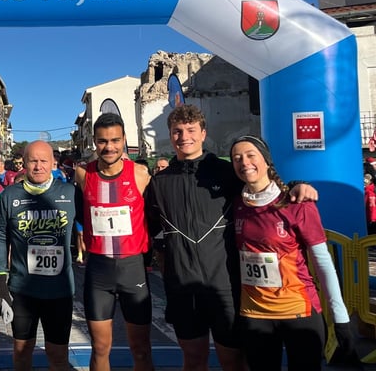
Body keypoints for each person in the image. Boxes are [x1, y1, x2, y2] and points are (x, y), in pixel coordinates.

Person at [146, 104, 318, 371]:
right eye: (177, 131)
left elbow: (263, 185)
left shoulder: (226, 172)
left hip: (225, 287)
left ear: (203, 133)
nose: (184, 137)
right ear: (170, 135)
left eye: (191, 130)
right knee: (192, 359)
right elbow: (154, 227)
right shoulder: (160, 182)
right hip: (183, 288)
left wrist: (297, 183)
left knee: (234, 360)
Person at [230, 135, 356, 370]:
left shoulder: (296, 203)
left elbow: (322, 261)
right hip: (255, 314)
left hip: (299, 311)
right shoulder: (235, 204)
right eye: (237, 158)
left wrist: (340, 317)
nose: (244, 162)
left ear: (267, 160)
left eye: (250, 155)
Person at [74, 113, 154, 371]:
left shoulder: (141, 174)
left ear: (124, 141)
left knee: (141, 349)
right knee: (99, 349)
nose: (109, 147)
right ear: (94, 143)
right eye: (102, 141)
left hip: (133, 269)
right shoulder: (83, 174)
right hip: (99, 272)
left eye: (115, 140)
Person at [0, 140, 76, 371]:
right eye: (33, 161)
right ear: (24, 164)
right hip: (23, 291)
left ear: (53, 163)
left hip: (59, 290)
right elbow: (0, 237)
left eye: (43, 161)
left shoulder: (69, 192)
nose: (38, 166)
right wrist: (0, 278)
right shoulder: (10, 195)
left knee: (58, 356)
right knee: (21, 353)